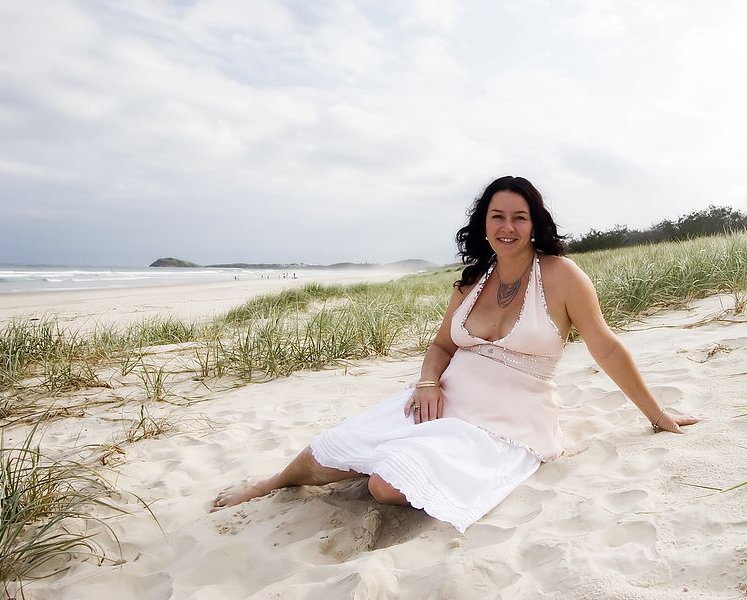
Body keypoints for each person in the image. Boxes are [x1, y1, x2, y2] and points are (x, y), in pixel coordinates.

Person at [211, 175, 698, 532]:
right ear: (484, 223)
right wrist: (427, 382)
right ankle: (271, 481)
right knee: (331, 446)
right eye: (497, 216)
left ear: (534, 224)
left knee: (385, 484)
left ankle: (400, 462)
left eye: (519, 217)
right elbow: (442, 345)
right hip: (441, 399)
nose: (507, 226)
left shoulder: (562, 276)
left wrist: (656, 415)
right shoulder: (471, 281)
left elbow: (607, 348)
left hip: (506, 420)